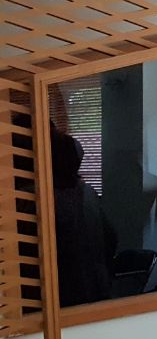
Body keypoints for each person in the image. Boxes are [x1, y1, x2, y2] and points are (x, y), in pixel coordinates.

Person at [50, 128, 116, 306]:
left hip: (67, 294)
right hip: (95, 288)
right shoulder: (87, 192)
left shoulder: (45, 198)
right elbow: (111, 238)